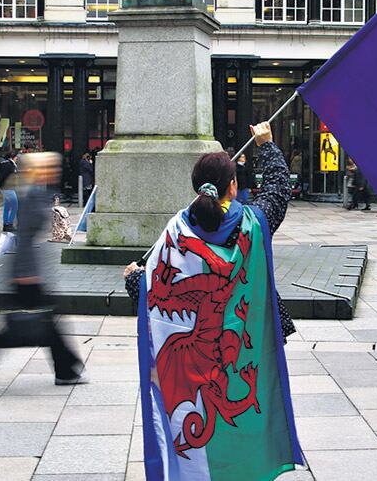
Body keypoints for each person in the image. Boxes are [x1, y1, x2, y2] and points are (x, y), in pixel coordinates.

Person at [122, 122, 300, 477]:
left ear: (197, 186)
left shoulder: (176, 233)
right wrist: (266, 144)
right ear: (233, 186)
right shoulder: (255, 222)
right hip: (247, 346)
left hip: (197, 362)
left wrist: (133, 278)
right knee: (248, 416)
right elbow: (279, 189)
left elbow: (157, 292)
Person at [0, 152, 87, 388]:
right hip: (26, 272)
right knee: (19, 330)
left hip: (28, 269)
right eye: (51, 167)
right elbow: (25, 237)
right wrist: (27, 274)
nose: (56, 171)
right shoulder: (32, 194)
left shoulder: (37, 192)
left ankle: (66, 369)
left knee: (45, 323)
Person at [0, 151, 19, 232]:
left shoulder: (9, 164)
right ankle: (9, 223)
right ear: (13, 157)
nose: (17, 158)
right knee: (14, 206)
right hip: (8, 188)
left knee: (7, 207)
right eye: (16, 157)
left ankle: (6, 224)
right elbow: (3, 176)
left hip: (7, 188)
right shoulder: (9, 165)